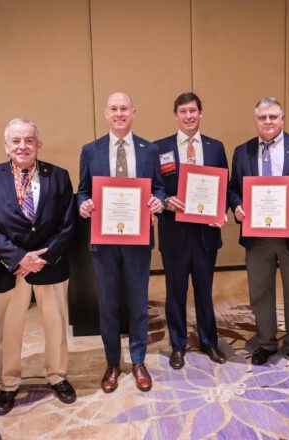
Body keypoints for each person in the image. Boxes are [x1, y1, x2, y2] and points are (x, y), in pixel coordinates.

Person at [0, 119, 77, 415]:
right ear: (6, 146)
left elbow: (68, 223)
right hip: (10, 267)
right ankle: (8, 384)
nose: (23, 146)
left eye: (29, 140)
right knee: (9, 329)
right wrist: (19, 257)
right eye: (16, 141)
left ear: (39, 144)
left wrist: (42, 258)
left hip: (51, 265)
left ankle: (57, 376)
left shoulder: (58, 176)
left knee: (56, 325)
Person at [77, 92, 165, 393]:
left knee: (139, 304)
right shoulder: (91, 150)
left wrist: (159, 202)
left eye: (124, 108)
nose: (119, 113)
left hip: (138, 240)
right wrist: (84, 205)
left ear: (134, 112)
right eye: (113, 108)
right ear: (105, 113)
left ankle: (139, 361)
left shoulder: (149, 150)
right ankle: (112, 363)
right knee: (109, 305)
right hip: (104, 240)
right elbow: (82, 191)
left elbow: (160, 189)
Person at [228, 97, 289, 370]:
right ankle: (266, 342)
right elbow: (233, 189)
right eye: (262, 117)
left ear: (282, 118)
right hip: (257, 238)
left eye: (273, 117)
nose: (267, 121)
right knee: (260, 291)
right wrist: (238, 206)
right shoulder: (242, 151)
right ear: (255, 120)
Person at [154, 92, 229, 369]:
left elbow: (224, 187)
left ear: (201, 114)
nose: (188, 116)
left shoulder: (215, 147)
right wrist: (164, 201)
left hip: (205, 234)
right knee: (175, 292)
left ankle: (209, 342)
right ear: (175, 115)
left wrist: (221, 212)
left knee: (204, 291)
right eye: (183, 111)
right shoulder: (159, 148)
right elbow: (155, 188)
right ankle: (178, 345)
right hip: (174, 234)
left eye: (193, 111)